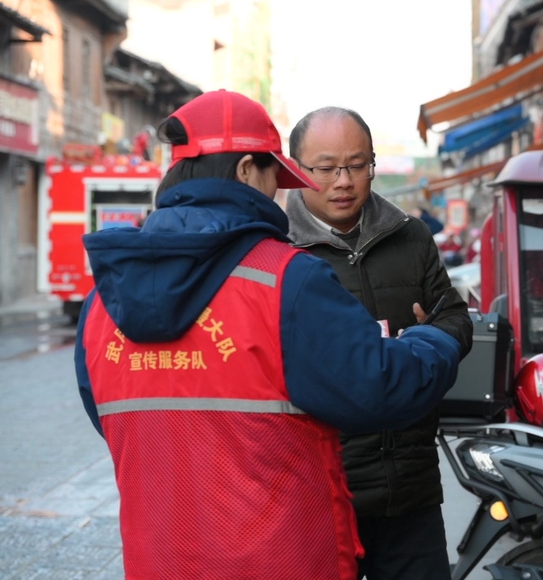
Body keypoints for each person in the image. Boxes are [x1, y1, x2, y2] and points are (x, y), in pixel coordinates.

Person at [74, 90, 463, 579]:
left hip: (161, 560)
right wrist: (435, 340)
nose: (279, 192)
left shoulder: (103, 303)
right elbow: (380, 384)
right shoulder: (285, 280)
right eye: (273, 176)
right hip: (284, 555)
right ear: (244, 171)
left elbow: (115, 422)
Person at [286, 106, 472, 580]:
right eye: (326, 168)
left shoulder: (410, 237)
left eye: (357, 165)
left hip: (409, 487)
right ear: (294, 170)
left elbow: (453, 315)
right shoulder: (278, 253)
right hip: (318, 497)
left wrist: (426, 341)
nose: (343, 181)